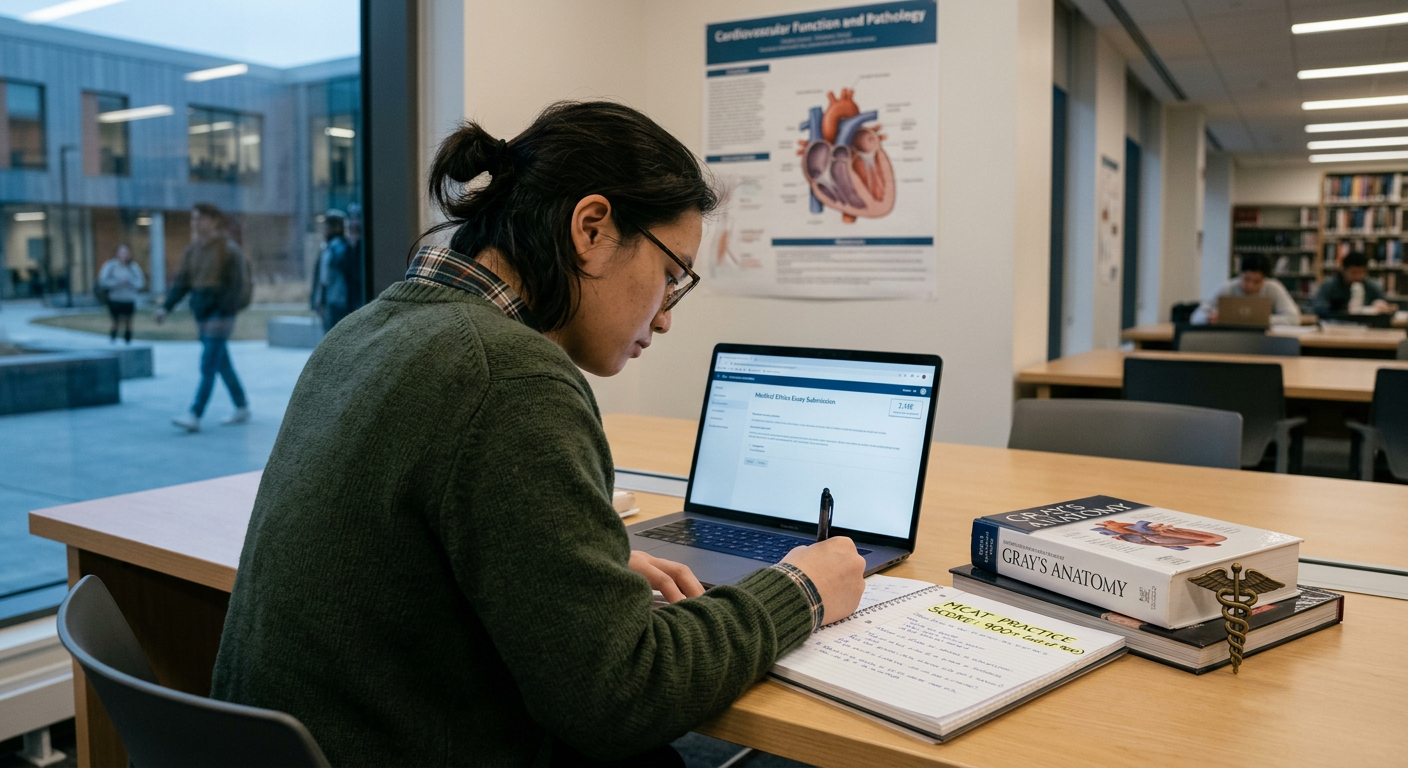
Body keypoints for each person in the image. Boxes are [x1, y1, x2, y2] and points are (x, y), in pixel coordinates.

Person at [209, 102, 867, 767]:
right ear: (592, 227)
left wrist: (555, 572)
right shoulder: (510, 376)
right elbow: (622, 697)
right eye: (671, 277)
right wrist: (800, 591)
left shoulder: (365, 330)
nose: (665, 318)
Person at [156, 203, 251, 432]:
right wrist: (166, 308)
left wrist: (225, 310)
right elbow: (182, 283)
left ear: (212, 221)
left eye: (199, 218)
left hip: (220, 316)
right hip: (202, 314)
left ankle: (195, 414)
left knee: (208, 363)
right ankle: (242, 405)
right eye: (193, 219)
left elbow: (239, 285)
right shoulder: (193, 250)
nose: (195, 223)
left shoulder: (228, 250)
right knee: (221, 363)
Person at [1191, 253, 1301, 326]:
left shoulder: (1274, 288)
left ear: (1265, 279)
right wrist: (1208, 318)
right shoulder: (1229, 288)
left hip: (1265, 341)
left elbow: (1294, 318)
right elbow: (1196, 317)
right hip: (1232, 340)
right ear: (1240, 275)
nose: (1250, 285)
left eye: (1256, 282)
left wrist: (1260, 320)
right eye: (1246, 279)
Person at [309, 209, 355, 330]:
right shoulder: (326, 249)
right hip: (326, 300)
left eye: (328, 226)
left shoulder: (342, 249)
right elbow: (319, 277)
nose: (324, 230)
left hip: (339, 301)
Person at [1310, 251, 1395, 316]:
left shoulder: (1371, 286)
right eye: (1354, 273)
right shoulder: (1330, 285)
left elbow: (1388, 306)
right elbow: (1316, 306)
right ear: (1343, 270)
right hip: (1336, 324)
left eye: (1361, 273)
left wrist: (1381, 307)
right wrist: (1338, 309)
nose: (1358, 276)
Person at [97, 244, 144, 344]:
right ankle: (113, 339)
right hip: (115, 298)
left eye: (126, 252)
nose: (124, 255)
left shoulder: (133, 267)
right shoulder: (110, 266)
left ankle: (128, 340)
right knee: (115, 322)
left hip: (128, 298)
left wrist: (129, 282)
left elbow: (140, 283)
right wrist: (117, 282)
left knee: (129, 321)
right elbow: (103, 281)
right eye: (121, 252)